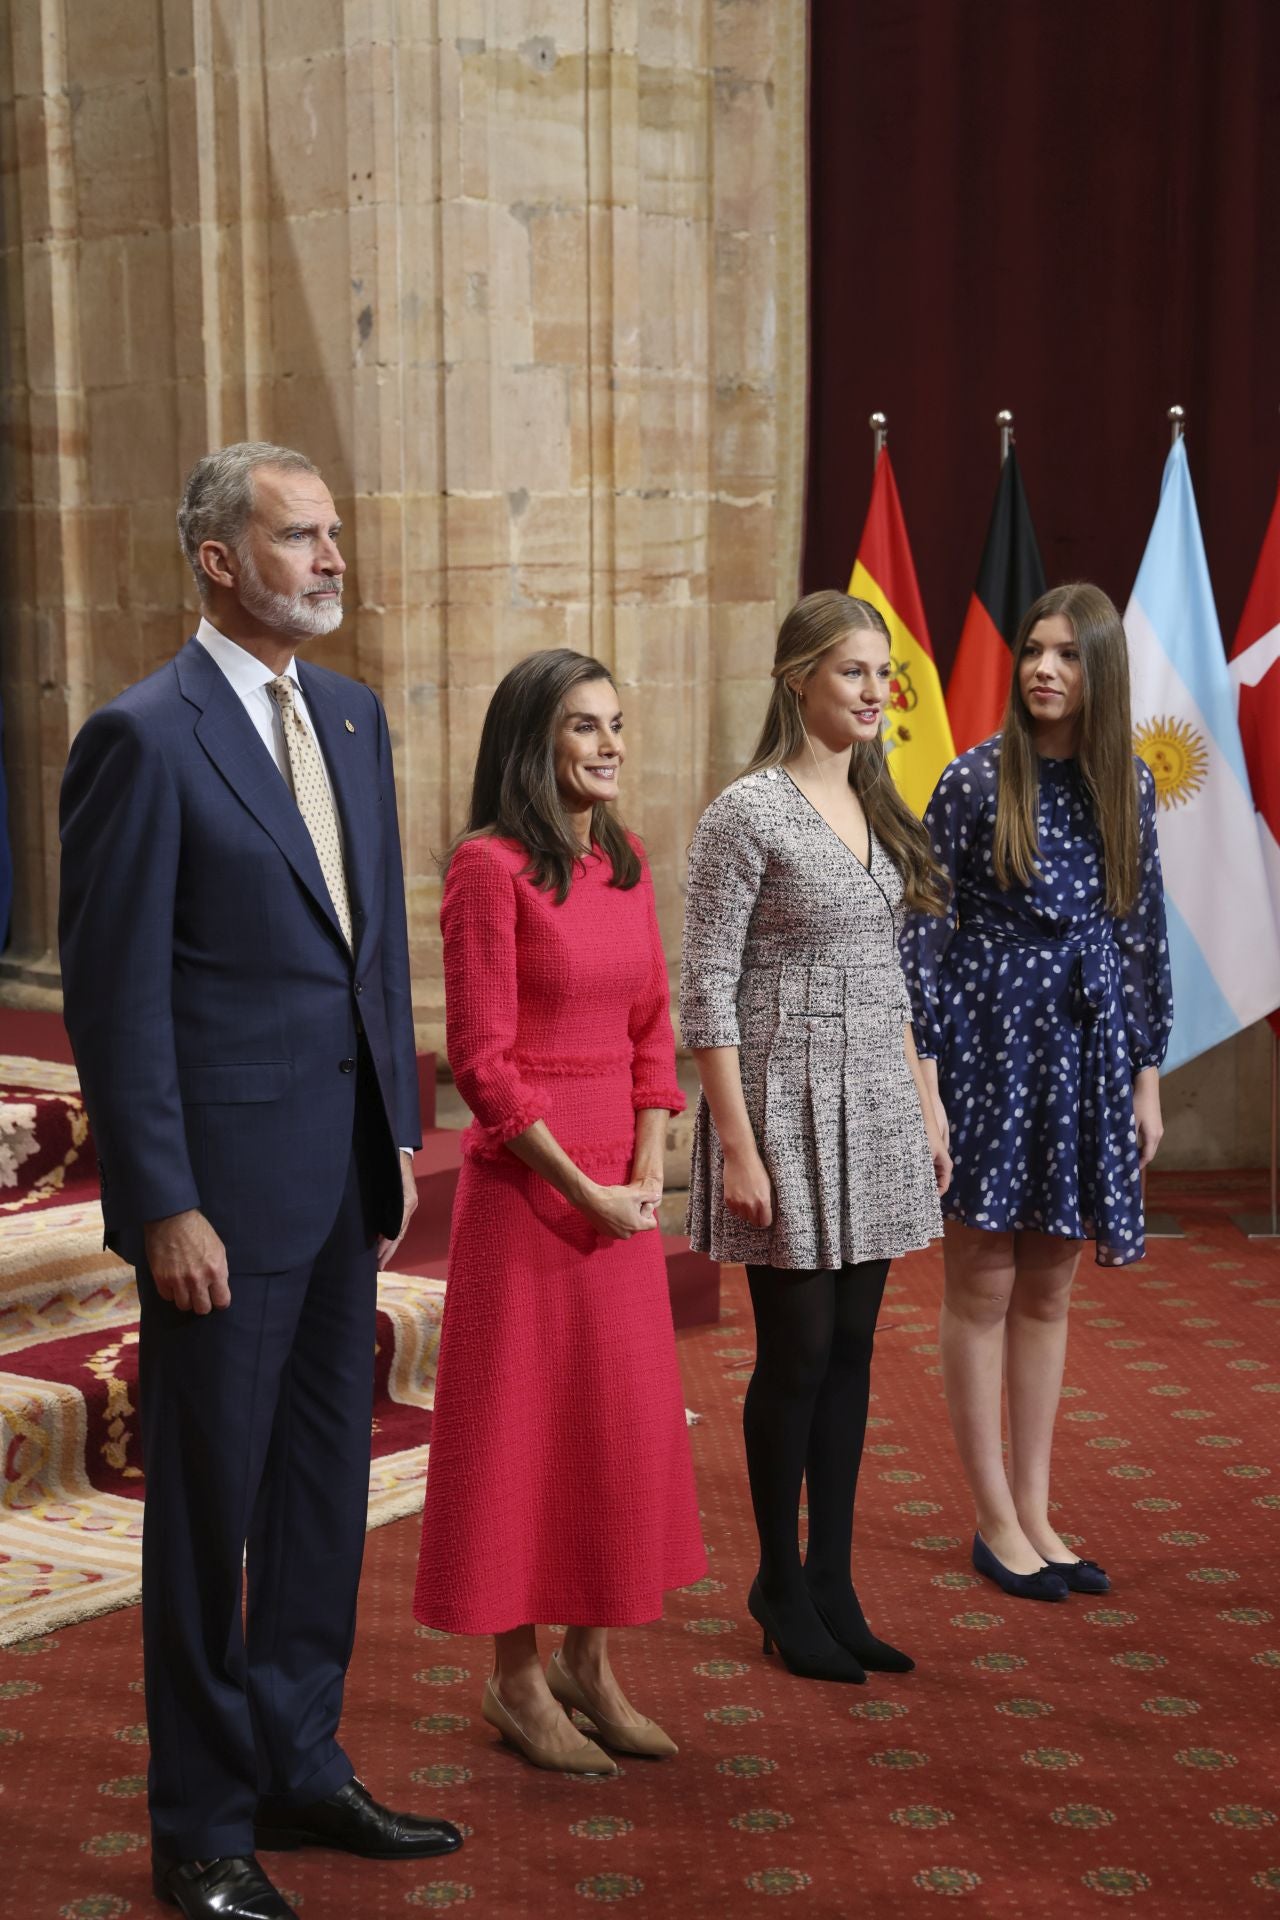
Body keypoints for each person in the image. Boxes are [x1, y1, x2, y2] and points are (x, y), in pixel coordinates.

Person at [58, 442, 461, 1920]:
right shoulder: (144, 738)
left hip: (343, 1180)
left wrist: (400, 1134)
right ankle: (204, 1827)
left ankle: (301, 1762)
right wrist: (161, 1200)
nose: (332, 557)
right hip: (217, 1207)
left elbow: (376, 949)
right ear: (221, 560)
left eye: (336, 532)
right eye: (300, 536)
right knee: (208, 1514)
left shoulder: (348, 718)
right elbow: (115, 1001)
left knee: (318, 1499)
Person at [413, 648, 705, 1773]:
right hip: (529, 1196)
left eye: (615, 724)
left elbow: (649, 1023)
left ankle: (591, 1662)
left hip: (617, 1195)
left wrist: (645, 1162)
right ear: (533, 743)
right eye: (583, 727)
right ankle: (516, 1680)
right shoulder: (486, 871)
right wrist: (581, 1187)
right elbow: (480, 1062)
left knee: (615, 1428)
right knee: (521, 1436)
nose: (609, 745)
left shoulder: (624, 859)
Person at [680, 590, 951, 1685]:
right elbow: (701, 989)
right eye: (852, 672)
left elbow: (894, 975)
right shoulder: (745, 811)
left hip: (874, 1100)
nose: (875, 692)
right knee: (792, 1354)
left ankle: (833, 1580)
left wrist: (923, 1099)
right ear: (797, 679)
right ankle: (776, 1585)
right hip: (779, 1098)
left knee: (850, 1352)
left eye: (881, 674)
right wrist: (736, 1147)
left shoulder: (880, 803)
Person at [900, 581, 1173, 1604]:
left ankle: (1037, 1508)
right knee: (980, 1283)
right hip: (987, 1050)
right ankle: (989, 1519)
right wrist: (926, 1089)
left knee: (1050, 1286)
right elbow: (921, 939)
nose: (1042, 670)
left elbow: (1139, 936)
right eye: (1032, 651)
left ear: (1099, 672)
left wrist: (1145, 1077)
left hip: (1088, 1055)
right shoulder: (973, 783)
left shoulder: (1128, 788)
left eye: (1064, 654)